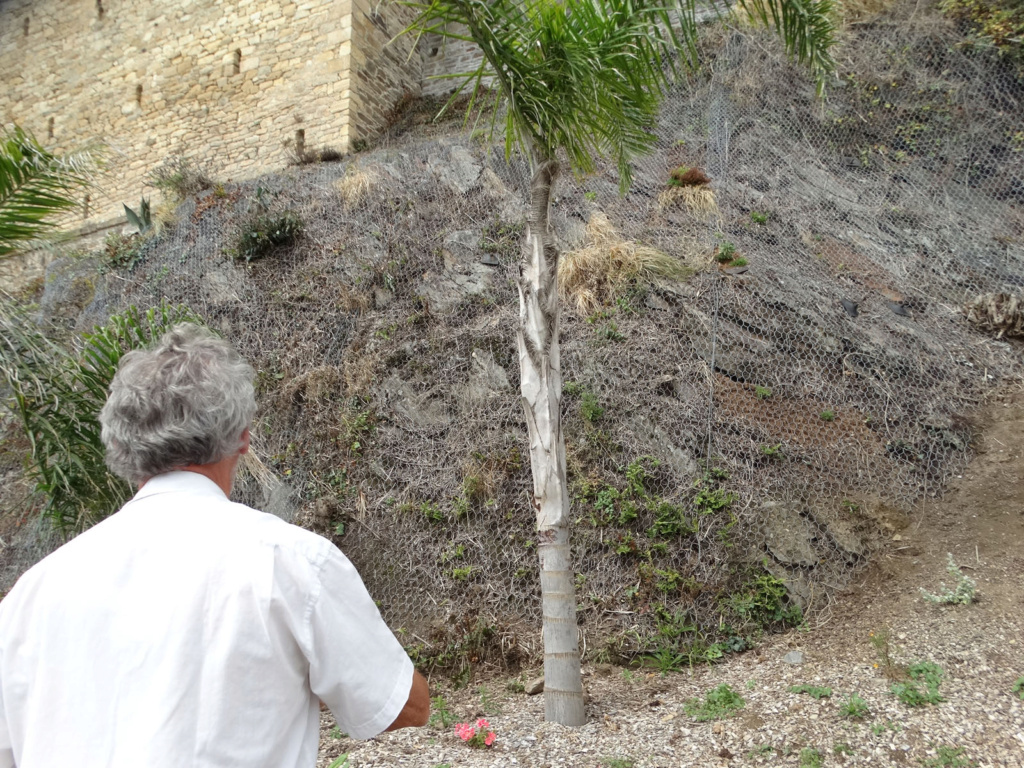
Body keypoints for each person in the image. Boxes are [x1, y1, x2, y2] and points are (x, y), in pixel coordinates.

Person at [0, 323, 428, 767]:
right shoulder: (291, 561)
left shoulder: (32, 593)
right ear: (242, 436)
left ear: (120, 444)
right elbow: (403, 705)